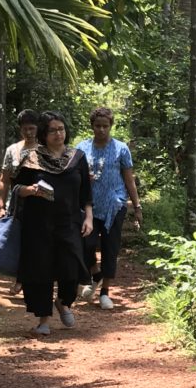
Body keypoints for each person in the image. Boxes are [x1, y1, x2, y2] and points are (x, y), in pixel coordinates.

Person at [13, 111, 93, 337]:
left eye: (61, 129)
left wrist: (88, 217)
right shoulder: (31, 158)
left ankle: (64, 302)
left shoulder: (77, 157)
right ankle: (43, 320)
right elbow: (17, 189)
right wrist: (31, 190)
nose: (59, 134)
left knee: (73, 267)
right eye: (53, 130)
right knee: (41, 270)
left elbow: (86, 192)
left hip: (69, 222)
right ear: (43, 134)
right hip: (37, 224)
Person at [76, 106, 141, 311]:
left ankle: (105, 292)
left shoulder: (121, 148)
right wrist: (83, 177)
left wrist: (137, 205)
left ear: (111, 126)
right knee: (85, 244)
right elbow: (73, 175)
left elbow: (129, 179)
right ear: (92, 127)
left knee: (110, 248)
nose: (101, 130)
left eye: (105, 126)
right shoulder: (82, 148)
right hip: (88, 206)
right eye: (98, 126)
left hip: (115, 204)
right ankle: (96, 274)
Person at [0, 110, 40, 296]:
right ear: (20, 129)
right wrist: (0, 205)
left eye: (32, 128)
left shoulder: (45, 149)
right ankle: (20, 279)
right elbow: (4, 179)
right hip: (16, 204)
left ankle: (31, 280)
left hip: (40, 203)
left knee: (37, 243)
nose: (29, 132)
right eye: (25, 129)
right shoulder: (12, 150)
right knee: (19, 242)